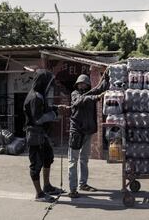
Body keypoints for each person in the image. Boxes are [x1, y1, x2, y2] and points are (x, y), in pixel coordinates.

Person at [23, 69, 68, 202]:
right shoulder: (35, 97)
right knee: (36, 164)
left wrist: (55, 108)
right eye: (49, 82)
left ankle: (47, 186)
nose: (51, 85)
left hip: (42, 134)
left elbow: (45, 110)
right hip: (34, 135)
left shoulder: (40, 96)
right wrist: (55, 115)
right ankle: (39, 194)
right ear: (44, 82)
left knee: (48, 157)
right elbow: (38, 118)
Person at [68, 74, 107, 198]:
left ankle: (83, 183)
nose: (82, 85)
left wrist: (106, 77)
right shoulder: (75, 94)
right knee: (73, 161)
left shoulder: (89, 94)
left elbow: (99, 88)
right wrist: (95, 97)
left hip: (87, 131)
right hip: (76, 131)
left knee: (84, 159)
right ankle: (72, 189)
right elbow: (80, 101)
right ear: (77, 85)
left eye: (84, 83)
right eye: (80, 83)